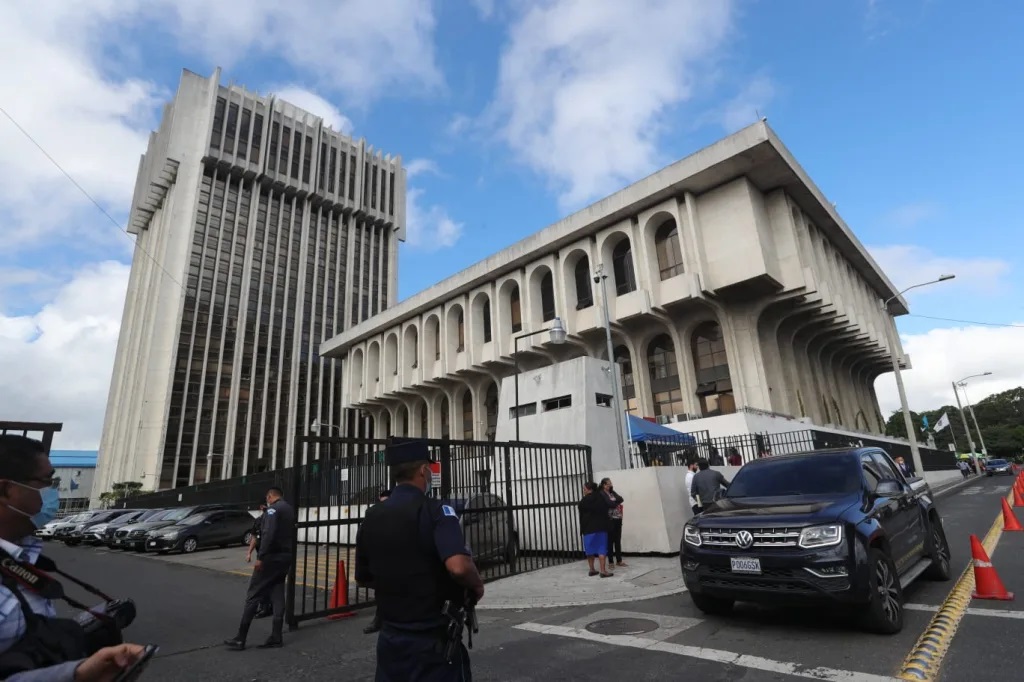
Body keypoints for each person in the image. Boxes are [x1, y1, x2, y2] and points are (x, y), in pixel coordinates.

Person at [0, 435, 147, 681]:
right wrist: (74, 676)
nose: (53, 493)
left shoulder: (16, 557)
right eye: (47, 482)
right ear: (6, 490)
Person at [355, 438, 484, 682]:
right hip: (431, 640)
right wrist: (477, 585)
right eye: (430, 469)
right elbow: (458, 566)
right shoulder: (437, 510)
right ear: (424, 471)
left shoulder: (371, 515)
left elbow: (363, 578)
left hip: (390, 638)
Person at [224, 487, 295, 651]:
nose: (267, 501)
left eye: (267, 498)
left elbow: (268, 534)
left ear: (270, 496)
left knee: (253, 595)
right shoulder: (289, 509)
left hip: (271, 558)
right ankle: (276, 636)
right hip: (285, 557)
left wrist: (261, 557)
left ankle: (241, 638)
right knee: (278, 594)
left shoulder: (272, 510)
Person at [362, 488, 392, 636]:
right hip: (381, 560)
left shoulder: (398, 512)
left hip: (394, 558)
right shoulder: (373, 513)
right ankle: (379, 620)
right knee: (381, 592)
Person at [578, 481, 617, 578]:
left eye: (584, 489)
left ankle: (592, 569)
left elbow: (581, 515)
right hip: (600, 527)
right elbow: (611, 505)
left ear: (589, 489)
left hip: (587, 529)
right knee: (601, 549)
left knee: (589, 550)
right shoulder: (600, 498)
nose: (583, 491)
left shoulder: (583, 501)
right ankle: (603, 571)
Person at [600, 478, 626, 568]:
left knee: (617, 540)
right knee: (610, 541)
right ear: (603, 485)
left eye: (610, 483)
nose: (610, 485)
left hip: (618, 518)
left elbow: (621, 499)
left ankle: (619, 560)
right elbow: (609, 504)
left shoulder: (612, 492)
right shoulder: (602, 493)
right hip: (610, 519)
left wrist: (614, 502)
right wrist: (615, 503)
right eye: (608, 484)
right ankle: (611, 561)